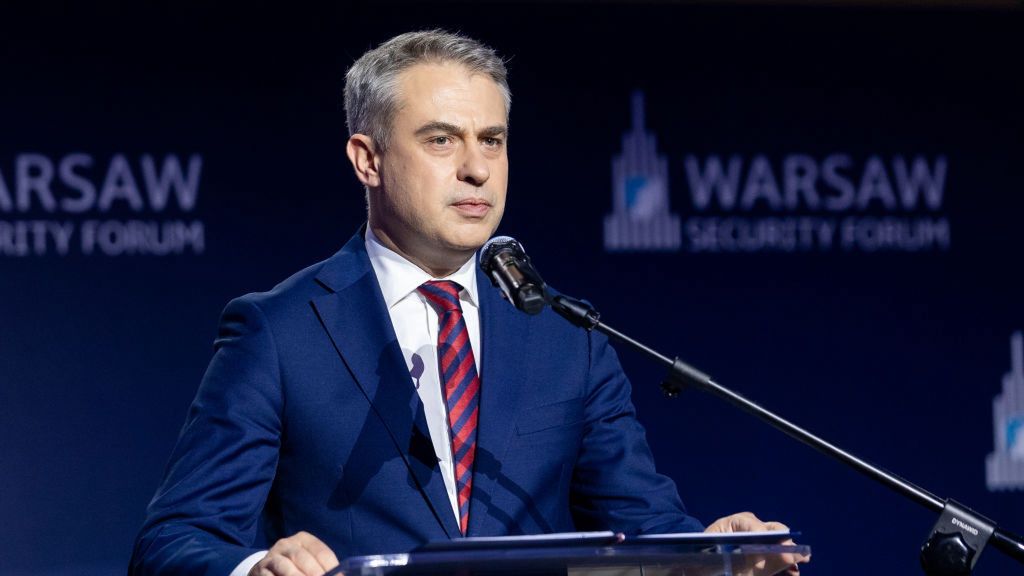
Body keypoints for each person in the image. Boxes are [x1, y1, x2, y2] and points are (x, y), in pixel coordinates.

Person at [130, 30, 807, 576]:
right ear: (367, 160)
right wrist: (255, 568)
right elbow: (174, 540)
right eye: (441, 140)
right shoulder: (278, 332)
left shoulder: (567, 333)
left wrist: (714, 552)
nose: (477, 168)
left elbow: (646, 524)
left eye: (493, 140)